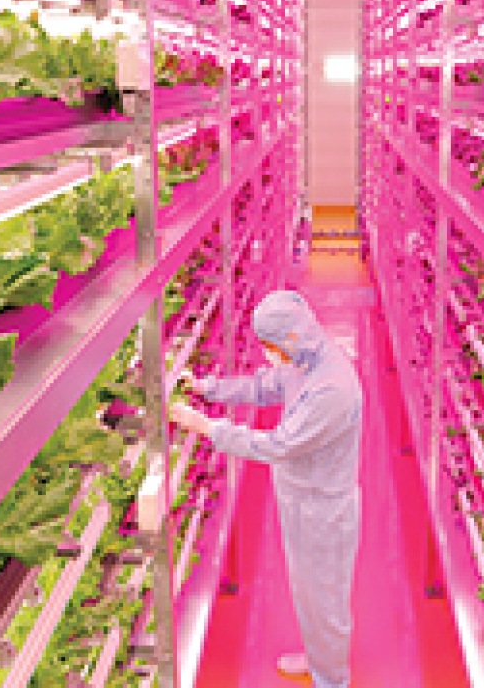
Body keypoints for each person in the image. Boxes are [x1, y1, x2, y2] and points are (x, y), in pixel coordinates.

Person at [172, 290, 362, 688]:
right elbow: (262, 387)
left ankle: (333, 679)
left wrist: (209, 428)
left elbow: (278, 444)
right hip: (301, 498)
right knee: (308, 593)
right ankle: (319, 660)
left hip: (323, 510)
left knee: (324, 599)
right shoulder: (301, 360)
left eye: (270, 346)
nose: (268, 354)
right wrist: (207, 388)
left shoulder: (332, 388)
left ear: (289, 339)